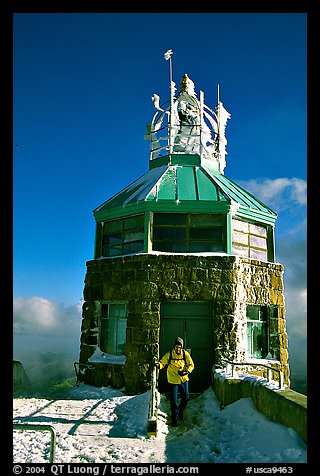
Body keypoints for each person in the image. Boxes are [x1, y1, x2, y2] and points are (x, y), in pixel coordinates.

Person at [155, 337, 194, 427]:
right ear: (174, 346)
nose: (177, 349)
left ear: (182, 347)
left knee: (186, 397)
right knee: (173, 400)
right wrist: (159, 365)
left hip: (183, 379)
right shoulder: (170, 355)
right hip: (173, 380)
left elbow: (191, 364)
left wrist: (187, 371)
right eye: (176, 347)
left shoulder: (185, 354)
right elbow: (163, 362)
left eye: (179, 347)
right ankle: (174, 418)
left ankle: (180, 409)